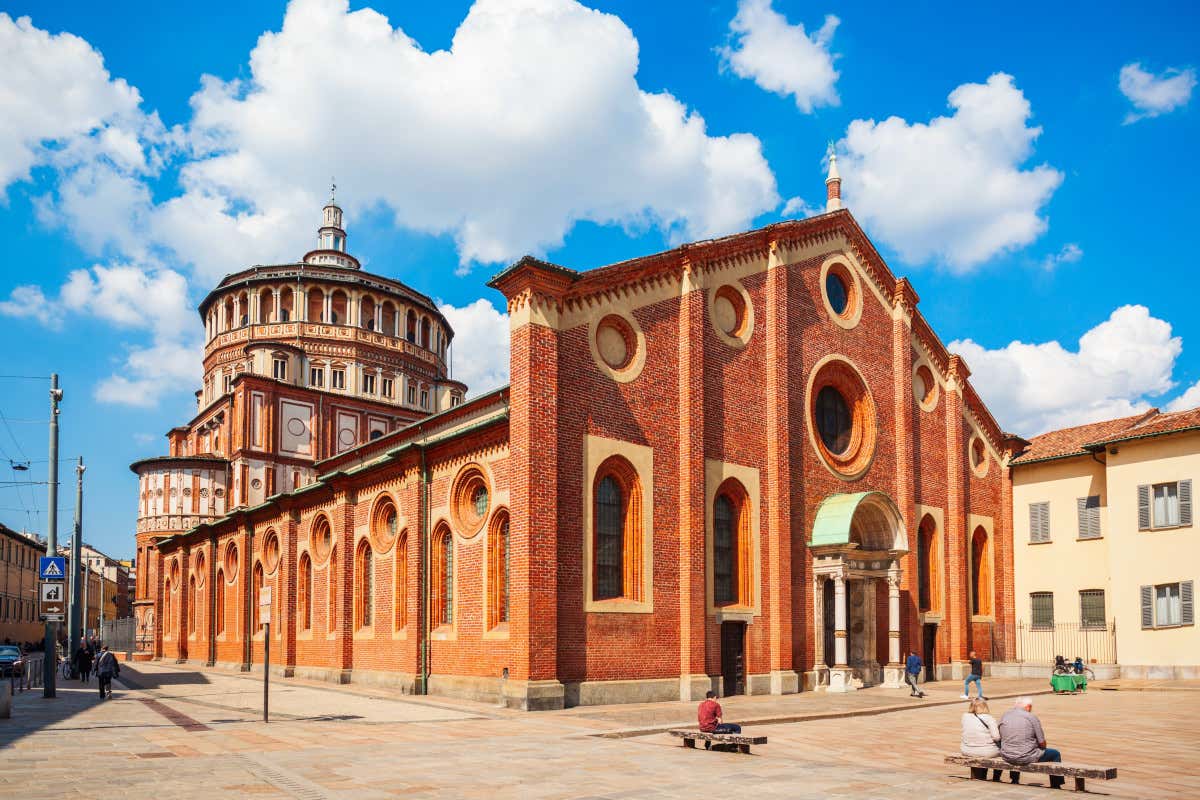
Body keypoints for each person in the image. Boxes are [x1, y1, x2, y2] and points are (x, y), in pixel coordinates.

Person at [999, 696, 1065, 788]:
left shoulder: (1005, 715)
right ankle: (1056, 784)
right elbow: (1042, 742)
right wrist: (1041, 747)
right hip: (1026, 756)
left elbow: (1001, 736)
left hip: (1007, 755)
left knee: (1015, 748)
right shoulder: (1031, 717)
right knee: (1055, 754)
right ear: (1028, 706)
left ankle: (1014, 780)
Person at [961, 698, 1004, 782]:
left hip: (966, 749)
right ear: (985, 706)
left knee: (983, 750)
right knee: (1002, 752)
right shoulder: (989, 718)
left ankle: (980, 776)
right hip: (985, 751)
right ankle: (996, 778)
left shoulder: (965, 716)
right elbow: (996, 737)